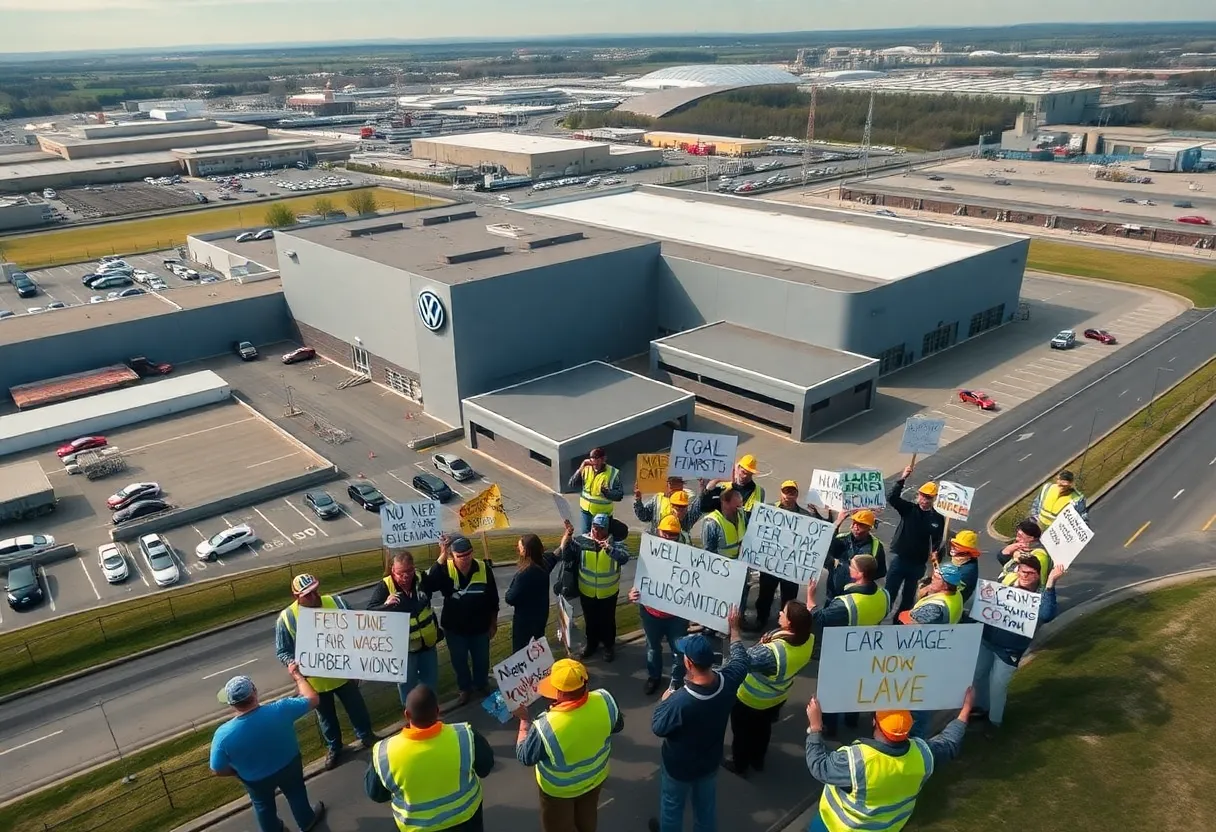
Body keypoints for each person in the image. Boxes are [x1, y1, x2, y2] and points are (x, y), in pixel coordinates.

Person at [804, 690, 973, 832]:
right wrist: (965, 711)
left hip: (835, 827)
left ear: (875, 722)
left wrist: (815, 728)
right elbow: (949, 743)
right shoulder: (922, 756)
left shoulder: (857, 762)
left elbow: (818, 765)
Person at [648, 610, 750, 832]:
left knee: (672, 808)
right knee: (705, 811)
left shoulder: (681, 701)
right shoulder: (728, 681)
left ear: (688, 662)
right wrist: (735, 631)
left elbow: (658, 726)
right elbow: (742, 659)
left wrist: (664, 701)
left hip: (679, 767)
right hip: (709, 762)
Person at [275, 573, 375, 769]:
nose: (314, 596)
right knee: (326, 717)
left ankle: (366, 735)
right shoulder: (287, 618)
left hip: (345, 673)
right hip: (316, 681)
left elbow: (359, 630)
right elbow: (282, 650)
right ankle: (335, 747)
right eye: (308, 594)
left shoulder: (337, 602)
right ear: (297, 597)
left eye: (315, 591)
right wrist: (291, 663)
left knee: (357, 707)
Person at [209, 668, 327, 832]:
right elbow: (313, 699)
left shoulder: (223, 735)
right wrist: (298, 677)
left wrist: (237, 772)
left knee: (263, 807)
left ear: (231, 704)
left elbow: (217, 769)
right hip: (289, 765)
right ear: (255, 692)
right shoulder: (280, 709)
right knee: (296, 793)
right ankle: (307, 821)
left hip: (255, 779)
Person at [515, 658, 625, 832]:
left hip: (560, 792)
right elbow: (617, 725)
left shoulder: (546, 726)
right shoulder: (605, 699)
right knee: (588, 819)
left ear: (559, 693)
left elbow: (525, 756)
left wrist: (523, 721)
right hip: (595, 778)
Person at [366, 684, 494, 832]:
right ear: (437, 711)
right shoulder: (465, 735)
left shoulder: (384, 753)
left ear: (407, 715)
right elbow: (485, 767)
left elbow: (376, 794)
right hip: (466, 821)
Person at [974, 558, 1066, 736]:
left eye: (1030, 573)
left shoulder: (1040, 596)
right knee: (979, 675)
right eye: (1022, 570)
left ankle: (994, 722)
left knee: (998, 685)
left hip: (1009, 650)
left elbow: (1047, 615)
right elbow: (1001, 556)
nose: (1024, 575)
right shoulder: (1008, 584)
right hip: (987, 640)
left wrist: (1051, 583)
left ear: (1038, 575)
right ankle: (981, 708)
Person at [725, 599, 815, 777]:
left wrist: (735, 632)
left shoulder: (772, 653)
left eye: (783, 612)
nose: (779, 613)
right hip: (777, 697)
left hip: (750, 699)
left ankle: (740, 765)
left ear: (790, 623)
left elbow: (740, 661)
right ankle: (758, 760)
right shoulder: (808, 639)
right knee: (763, 729)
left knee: (742, 734)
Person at [805, 555, 890, 738]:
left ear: (859, 574)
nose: (848, 567)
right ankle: (852, 719)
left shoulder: (847, 603)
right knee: (856, 686)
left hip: (843, 651)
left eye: (851, 565)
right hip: (868, 649)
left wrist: (810, 598)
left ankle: (829, 728)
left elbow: (820, 618)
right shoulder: (884, 595)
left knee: (832, 691)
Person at [429, 534, 500, 706]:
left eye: (468, 554)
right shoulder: (446, 569)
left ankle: (481, 685)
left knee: (481, 660)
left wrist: (493, 623)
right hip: (455, 630)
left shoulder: (483, 568)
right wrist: (442, 554)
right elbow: (430, 583)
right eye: (460, 556)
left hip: (480, 628)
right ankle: (465, 689)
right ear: (453, 556)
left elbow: (493, 600)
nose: (465, 559)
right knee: (459, 661)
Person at [898, 563, 965, 739]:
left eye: (935, 578)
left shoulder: (935, 609)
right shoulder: (955, 595)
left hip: (923, 659)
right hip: (937, 653)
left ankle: (915, 740)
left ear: (945, 584)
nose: (931, 579)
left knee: (918, 706)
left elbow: (908, 619)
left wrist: (905, 615)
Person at [368, 551, 442, 706]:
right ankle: (412, 716)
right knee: (407, 686)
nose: (405, 577)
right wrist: (385, 605)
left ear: (413, 568)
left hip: (428, 644)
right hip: (404, 651)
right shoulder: (385, 587)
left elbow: (436, 574)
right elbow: (370, 613)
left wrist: (443, 552)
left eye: (409, 571)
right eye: (400, 573)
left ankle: (431, 714)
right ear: (393, 570)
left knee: (430, 683)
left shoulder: (421, 579)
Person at [628, 514, 692, 694]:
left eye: (673, 534)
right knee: (652, 648)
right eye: (666, 533)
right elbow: (640, 580)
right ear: (658, 531)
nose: (669, 537)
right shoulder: (648, 552)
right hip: (651, 614)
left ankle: (677, 680)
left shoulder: (687, 556)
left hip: (676, 616)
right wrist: (633, 593)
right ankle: (654, 677)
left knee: (679, 651)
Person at [560, 513, 630, 662]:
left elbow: (624, 557)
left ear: (607, 530)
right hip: (587, 590)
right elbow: (566, 554)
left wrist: (609, 549)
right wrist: (568, 536)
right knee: (590, 620)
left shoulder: (615, 543)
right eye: (594, 528)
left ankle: (608, 647)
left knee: (607, 621)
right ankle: (591, 645)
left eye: (601, 529)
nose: (597, 532)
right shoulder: (582, 542)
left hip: (608, 592)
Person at [884, 466, 945, 621]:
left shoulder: (937, 518)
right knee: (889, 593)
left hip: (917, 564)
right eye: (923, 496)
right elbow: (892, 498)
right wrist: (902, 477)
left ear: (934, 498)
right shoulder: (909, 509)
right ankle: (880, 617)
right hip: (900, 560)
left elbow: (937, 540)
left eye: (929, 497)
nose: (925, 500)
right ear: (918, 495)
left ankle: (899, 622)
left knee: (908, 597)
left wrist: (936, 552)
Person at [753, 481, 810, 630]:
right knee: (765, 594)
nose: (788, 496)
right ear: (781, 493)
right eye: (786, 492)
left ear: (796, 495)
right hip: (771, 562)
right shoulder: (770, 510)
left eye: (791, 492)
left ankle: (787, 624)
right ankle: (761, 619)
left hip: (791, 565)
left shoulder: (805, 515)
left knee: (789, 597)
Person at [506, 532, 560, 652]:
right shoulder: (544, 562)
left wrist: (508, 592)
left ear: (526, 551)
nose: (518, 550)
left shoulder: (525, 573)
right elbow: (557, 554)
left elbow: (510, 598)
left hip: (525, 621)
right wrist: (567, 536)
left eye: (520, 547)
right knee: (537, 647)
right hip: (540, 616)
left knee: (523, 651)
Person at [823, 510, 886, 602]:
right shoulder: (842, 539)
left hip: (856, 595)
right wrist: (837, 523)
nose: (856, 527)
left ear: (869, 527)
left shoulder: (876, 547)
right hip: (834, 590)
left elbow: (881, 572)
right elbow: (824, 546)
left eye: (861, 524)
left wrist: (862, 577)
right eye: (854, 523)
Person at [570, 448, 623, 533]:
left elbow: (619, 495)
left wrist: (607, 493)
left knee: (601, 538)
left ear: (603, 459)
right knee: (586, 538)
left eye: (597, 462)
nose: (595, 465)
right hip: (586, 512)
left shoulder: (612, 472)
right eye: (593, 462)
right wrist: (581, 467)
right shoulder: (586, 468)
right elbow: (572, 484)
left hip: (603, 514)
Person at [700, 454, 765, 521]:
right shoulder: (725, 487)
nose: (745, 476)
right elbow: (705, 507)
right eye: (743, 472)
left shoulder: (759, 492)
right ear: (738, 468)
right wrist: (715, 481)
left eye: (749, 474)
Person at [634, 477, 702, 535]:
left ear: (682, 484)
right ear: (667, 484)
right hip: (658, 542)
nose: (674, 485)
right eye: (671, 482)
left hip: (679, 543)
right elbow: (644, 516)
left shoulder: (689, 498)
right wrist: (638, 501)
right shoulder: (658, 498)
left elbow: (690, 520)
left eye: (678, 482)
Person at [998, 520, 1052, 587]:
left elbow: (1008, 569)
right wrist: (1008, 550)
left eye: (1020, 536)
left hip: (1020, 590)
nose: (1017, 538)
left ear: (1031, 538)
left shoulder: (1038, 556)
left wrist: (1016, 558)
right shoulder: (1024, 548)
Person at [936, 530, 982, 605]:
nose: (953, 551)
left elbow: (949, 591)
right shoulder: (966, 560)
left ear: (968, 553)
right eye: (954, 546)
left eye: (958, 549)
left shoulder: (965, 573)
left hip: (951, 602)